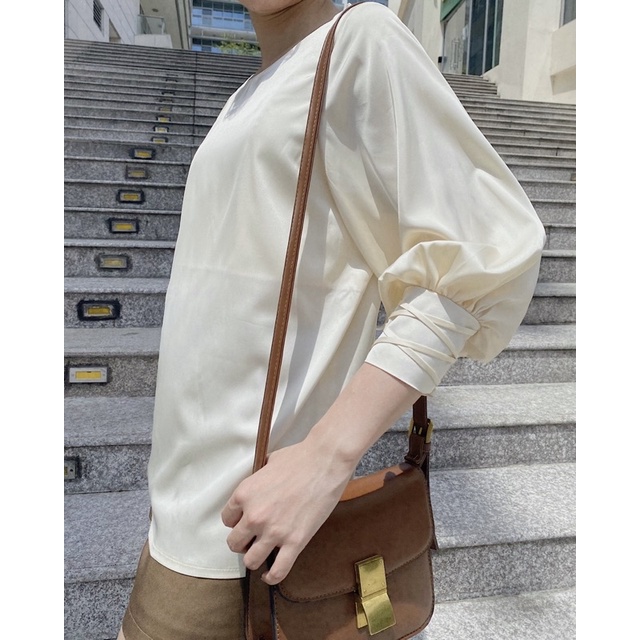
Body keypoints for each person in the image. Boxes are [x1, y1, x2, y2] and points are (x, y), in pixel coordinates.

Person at [117, 0, 546, 638]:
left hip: (248, 541)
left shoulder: (359, 42)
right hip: (179, 517)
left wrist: (327, 456)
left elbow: (483, 255)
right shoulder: (246, 95)